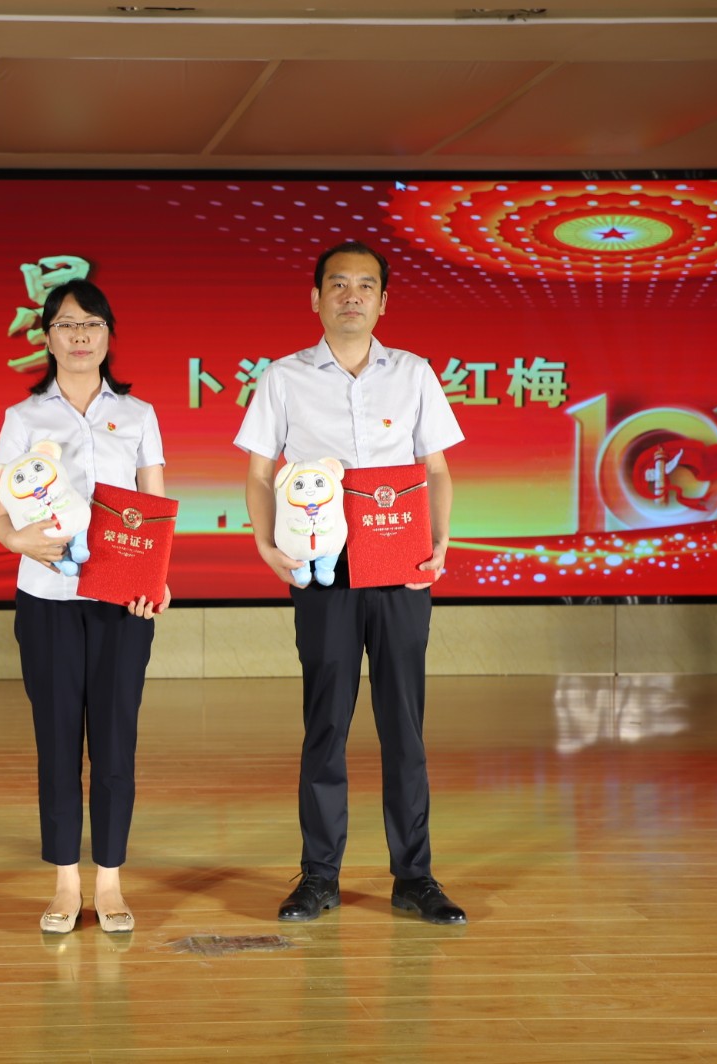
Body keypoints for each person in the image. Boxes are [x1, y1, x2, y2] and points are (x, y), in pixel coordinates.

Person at [234, 241, 468, 926]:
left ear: (383, 301)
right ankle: (319, 876)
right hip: (324, 568)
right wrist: (266, 543)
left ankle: (414, 877)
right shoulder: (284, 377)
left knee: (404, 725)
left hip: (402, 565)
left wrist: (440, 542)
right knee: (326, 723)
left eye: (366, 286)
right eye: (338, 284)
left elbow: (437, 468)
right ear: (316, 297)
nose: (351, 296)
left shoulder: (414, 373)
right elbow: (258, 472)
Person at [0, 278, 167, 935]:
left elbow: (154, 508)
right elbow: (4, 514)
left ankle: (110, 880)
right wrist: (17, 541)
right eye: (67, 325)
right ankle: (66, 881)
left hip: (123, 599)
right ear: (47, 337)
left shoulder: (138, 415)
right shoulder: (24, 418)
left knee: (116, 741)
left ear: (108, 336)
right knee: (58, 741)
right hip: (47, 600)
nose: (79, 336)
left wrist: (158, 578)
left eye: (91, 324)